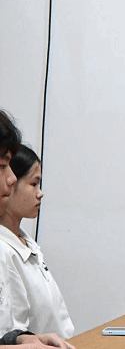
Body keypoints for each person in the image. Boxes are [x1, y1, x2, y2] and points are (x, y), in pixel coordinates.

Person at [0, 111, 74, 349]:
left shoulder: (27, 243)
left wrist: (19, 339)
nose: (10, 179)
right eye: (2, 166)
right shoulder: (4, 250)